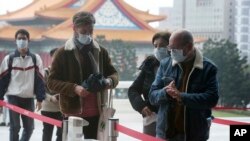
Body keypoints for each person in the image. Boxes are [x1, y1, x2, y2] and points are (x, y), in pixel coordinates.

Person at [47, 11, 119, 139]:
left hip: (98, 111)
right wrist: (74, 88)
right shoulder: (63, 53)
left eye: (90, 31)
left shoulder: (101, 51)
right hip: (72, 112)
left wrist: (108, 82)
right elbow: (51, 82)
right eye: (84, 31)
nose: (88, 34)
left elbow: (114, 74)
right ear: (74, 28)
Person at [149, 29, 219, 141]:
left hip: (195, 133)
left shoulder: (208, 68)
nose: (171, 52)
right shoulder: (165, 64)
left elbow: (212, 99)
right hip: (165, 133)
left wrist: (182, 96)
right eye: (169, 48)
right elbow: (152, 95)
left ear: (189, 47)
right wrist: (165, 92)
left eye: (175, 49)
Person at [0, 29, 45, 141]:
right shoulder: (9, 59)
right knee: (15, 127)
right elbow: (2, 80)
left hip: (29, 98)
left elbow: (40, 80)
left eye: (24, 38)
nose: (21, 40)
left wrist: (40, 99)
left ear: (28, 40)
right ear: (15, 41)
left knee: (30, 128)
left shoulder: (35, 59)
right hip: (13, 97)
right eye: (19, 38)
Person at [127, 31, 171, 136]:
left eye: (162, 46)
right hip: (152, 118)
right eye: (155, 46)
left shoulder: (177, 65)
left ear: (170, 46)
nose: (158, 49)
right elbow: (133, 90)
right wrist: (141, 106)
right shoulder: (150, 65)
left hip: (172, 120)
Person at [41, 48, 62, 141]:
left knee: (61, 134)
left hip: (62, 109)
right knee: (47, 134)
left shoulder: (65, 74)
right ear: (51, 57)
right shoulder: (45, 72)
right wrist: (51, 98)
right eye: (55, 56)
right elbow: (40, 90)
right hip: (47, 108)